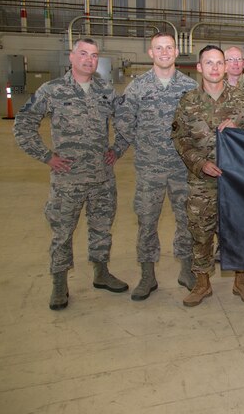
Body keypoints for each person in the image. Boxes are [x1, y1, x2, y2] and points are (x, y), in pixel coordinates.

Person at [14, 38, 128, 310]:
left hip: (102, 178)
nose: (89, 59)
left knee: (101, 229)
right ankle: (59, 284)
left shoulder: (105, 90)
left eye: (94, 55)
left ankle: (101, 274)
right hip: (68, 180)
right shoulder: (52, 90)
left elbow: (126, 122)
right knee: (62, 233)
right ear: (71, 57)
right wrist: (47, 156)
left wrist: (118, 149)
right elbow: (23, 124)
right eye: (83, 54)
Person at [172, 45, 244, 306]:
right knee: (201, 232)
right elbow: (180, 139)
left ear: (225, 67)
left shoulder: (241, 100)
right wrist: (200, 164)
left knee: (238, 231)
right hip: (202, 181)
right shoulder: (188, 102)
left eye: (219, 63)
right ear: (199, 67)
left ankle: (240, 280)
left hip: (235, 181)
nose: (214, 68)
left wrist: (239, 128)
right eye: (208, 63)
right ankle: (202, 283)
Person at [114, 32, 198, 301]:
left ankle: (186, 269)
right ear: (150, 53)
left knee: (186, 220)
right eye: (158, 48)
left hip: (181, 168)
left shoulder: (188, 87)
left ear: (176, 52)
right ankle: (147, 276)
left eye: (169, 48)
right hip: (149, 169)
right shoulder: (137, 87)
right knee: (146, 221)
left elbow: (196, 124)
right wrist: (144, 144)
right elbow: (124, 121)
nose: (164, 52)